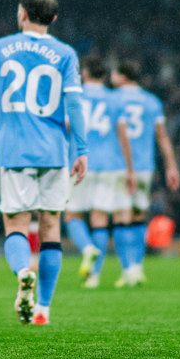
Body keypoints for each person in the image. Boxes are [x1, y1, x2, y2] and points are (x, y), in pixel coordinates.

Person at [0, 0, 88, 325]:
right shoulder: (66, 54)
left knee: (17, 225)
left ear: (22, 13)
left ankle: (24, 272)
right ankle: (44, 309)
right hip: (54, 151)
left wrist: (5, 119)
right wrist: (80, 150)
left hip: (15, 149)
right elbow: (75, 105)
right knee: (51, 227)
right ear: (53, 19)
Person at [104, 60, 180, 287]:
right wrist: (171, 165)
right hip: (145, 166)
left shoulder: (112, 98)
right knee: (137, 216)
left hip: (118, 165)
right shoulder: (151, 101)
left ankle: (126, 269)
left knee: (120, 217)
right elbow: (162, 136)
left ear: (122, 76)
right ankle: (137, 268)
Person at [68, 56, 116, 288]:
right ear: (104, 76)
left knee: (72, 215)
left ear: (85, 74)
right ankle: (94, 276)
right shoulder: (113, 98)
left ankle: (87, 249)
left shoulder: (76, 93)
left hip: (79, 159)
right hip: (108, 164)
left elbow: (68, 123)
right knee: (100, 219)